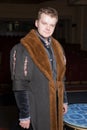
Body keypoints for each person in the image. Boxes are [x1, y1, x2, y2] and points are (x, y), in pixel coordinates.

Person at [10, 7, 68, 130]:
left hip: (55, 105)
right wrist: (24, 115)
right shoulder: (22, 49)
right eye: (44, 23)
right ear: (37, 23)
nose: (48, 28)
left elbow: (61, 78)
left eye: (52, 25)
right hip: (35, 107)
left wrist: (64, 100)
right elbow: (19, 84)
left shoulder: (58, 48)